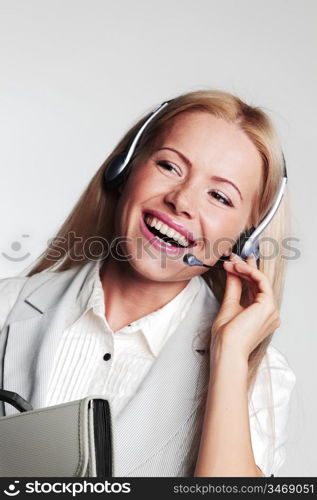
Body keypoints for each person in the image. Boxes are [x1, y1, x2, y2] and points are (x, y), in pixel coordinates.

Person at [0, 89, 296, 477]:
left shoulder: (259, 375)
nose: (183, 200)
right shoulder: (7, 305)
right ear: (124, 170)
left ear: (245, 239)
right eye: (170, 166)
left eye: (219, 196)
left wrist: (229, 357)